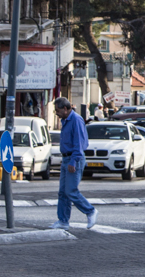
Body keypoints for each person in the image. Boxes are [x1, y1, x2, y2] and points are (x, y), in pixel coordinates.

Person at [50, 97, 98, 230]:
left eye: (58, 110)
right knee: (63, 192)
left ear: (65, 109)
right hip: (66, 158)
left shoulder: (76, 120)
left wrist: (73, 160)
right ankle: (63, 221)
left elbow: (80, 143)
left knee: (71, 190)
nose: (56, 113)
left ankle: (90, 211)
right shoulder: (65, 120)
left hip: (74, 159)